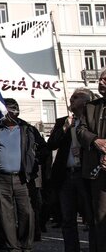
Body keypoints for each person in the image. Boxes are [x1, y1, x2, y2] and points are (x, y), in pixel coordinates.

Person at [0, 98, 46, 252]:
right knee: (5, 214)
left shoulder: (27, 129)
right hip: (1, 179)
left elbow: (44, 150)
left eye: (13, 111)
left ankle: (25, 245)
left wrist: (32, 163)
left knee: (27, 213)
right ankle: (12, 247)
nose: (10, 114)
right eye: (7, 111)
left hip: (23, 179)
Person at [48, 88, 95, 252]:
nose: (71, 100)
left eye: (75, 98)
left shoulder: (92, 119)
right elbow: (51, 144)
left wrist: (82, 151)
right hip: (66, 176)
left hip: (86, 175)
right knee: (68, 218)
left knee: (91, 216)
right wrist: (64, 128)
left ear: (86, 101)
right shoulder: (63, 121)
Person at [77, 70, 106, 251]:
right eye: (101, 79)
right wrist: (95, 140)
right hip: (98, 171)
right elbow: (81, 131)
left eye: (105, 79)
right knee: (100, 216)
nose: (101, 81)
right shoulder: (91, 107)